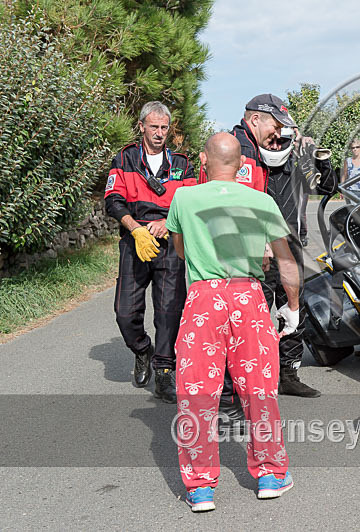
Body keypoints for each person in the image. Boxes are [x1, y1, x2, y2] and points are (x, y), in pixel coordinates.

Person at [167, 132, 299, 512]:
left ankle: (200, 487)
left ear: (204, 162)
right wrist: (292, 306)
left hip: (204, 298)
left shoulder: (184, 198)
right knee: (259, 388)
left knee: (196, 391)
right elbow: (285, 261)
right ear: (242, 165)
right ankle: (271, 475)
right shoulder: (261, 201)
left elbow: (180, 249)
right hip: (249, 297)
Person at [204, 93, 335, 398]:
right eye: (275, 129)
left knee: (293, 309)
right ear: (256, 120)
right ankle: (237, 386)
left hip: (289, 246)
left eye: (283, 132)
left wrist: (317, 158)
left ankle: (287, 374)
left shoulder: (294, 156)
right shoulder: (240, 150)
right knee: (250, 317)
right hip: (253, 252)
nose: (278, 137)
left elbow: (327, 187)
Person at [104, 101, 195, 403]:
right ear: (141, 126)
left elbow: (191, 202)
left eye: (164, 127)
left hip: (170, 243)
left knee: (169, 312)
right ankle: (142, 349)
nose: (159, 133)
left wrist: (167, 225)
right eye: (153, 126)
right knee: (125, 312)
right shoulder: (125, 158)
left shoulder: (182, 163)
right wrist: (135, 228)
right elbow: (113, 200)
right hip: (135, 240)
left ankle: (165, 371)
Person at [340, 138, 360, 204]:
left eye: (357, 147)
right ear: (351, 149)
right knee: (353, 212)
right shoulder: (347, 161)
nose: (355, 149)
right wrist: (342, 189)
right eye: (353, 148)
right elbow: (344, 175)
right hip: (351, 191)